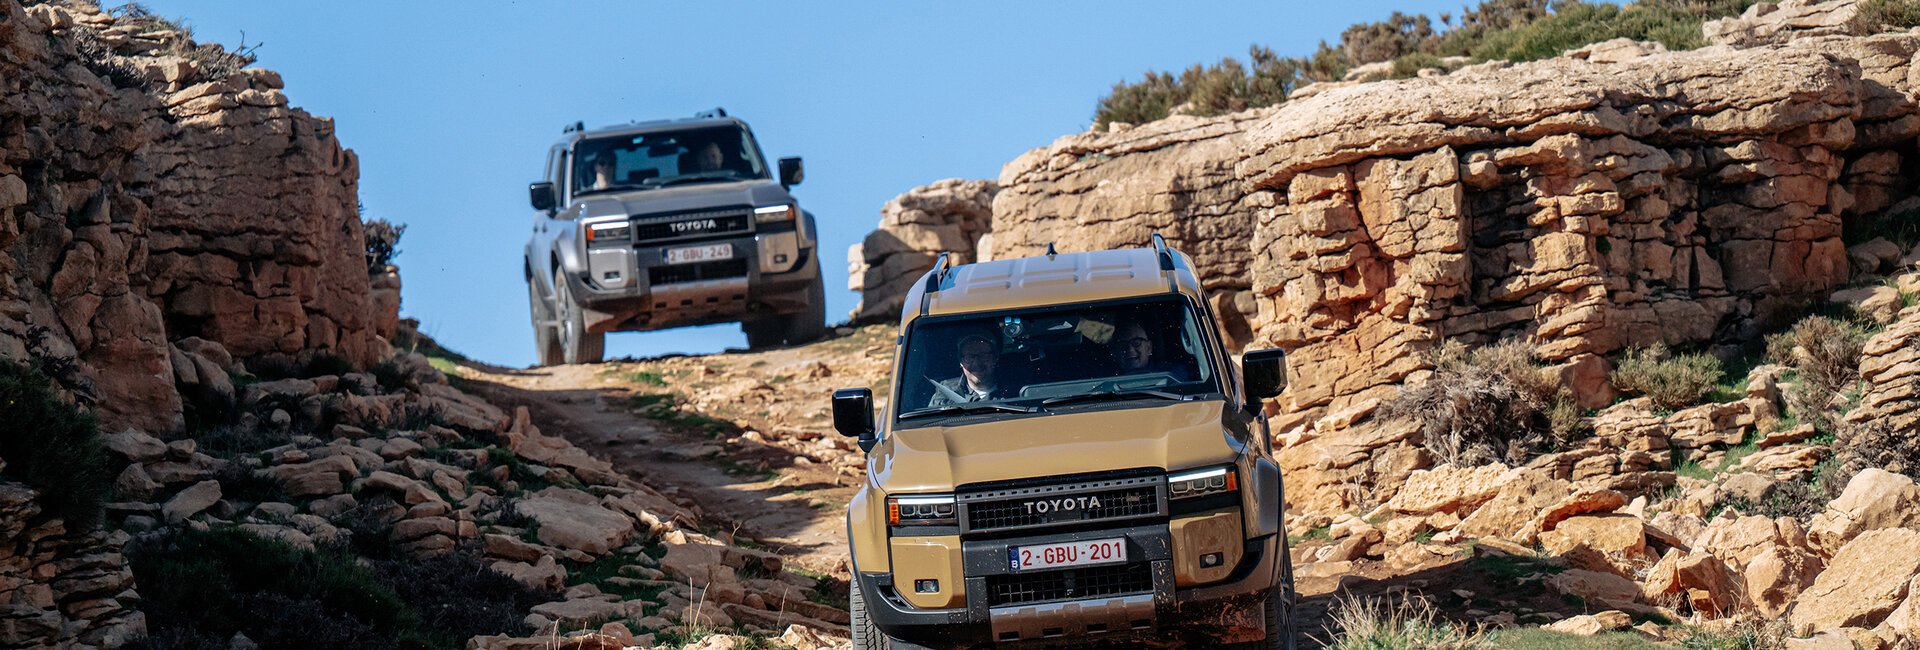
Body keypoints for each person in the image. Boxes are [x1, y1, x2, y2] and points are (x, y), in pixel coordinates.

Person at [927, 333, 1015, 407]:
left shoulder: (1015, 391)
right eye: (969, 357)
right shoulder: (945, 392)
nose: (977, 363)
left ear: (995, 359)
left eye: (983, 356)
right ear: (961, 362)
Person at [1111, 321, 1191, 380]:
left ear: (1149, 347)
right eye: (1122, 344)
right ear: (1114, 353)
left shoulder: (1173, 374)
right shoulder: (1104, 380)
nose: (1130, 349)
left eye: (1136, 343)